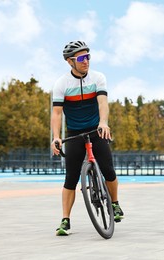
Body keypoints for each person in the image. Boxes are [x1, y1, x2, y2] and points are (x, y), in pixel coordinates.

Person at [51, 41, 124, 236]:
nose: (86, 61)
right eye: (82, 58)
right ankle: (65, 220)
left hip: (96, 129)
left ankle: (115, 204)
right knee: (70, 179)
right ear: (70, 62)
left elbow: (102, 102)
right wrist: (56, 137)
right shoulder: (62, 84)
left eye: (88, 57)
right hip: (74, 133)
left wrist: (103, 122)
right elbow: (57, 113)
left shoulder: (98, 78)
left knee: (108, 169)